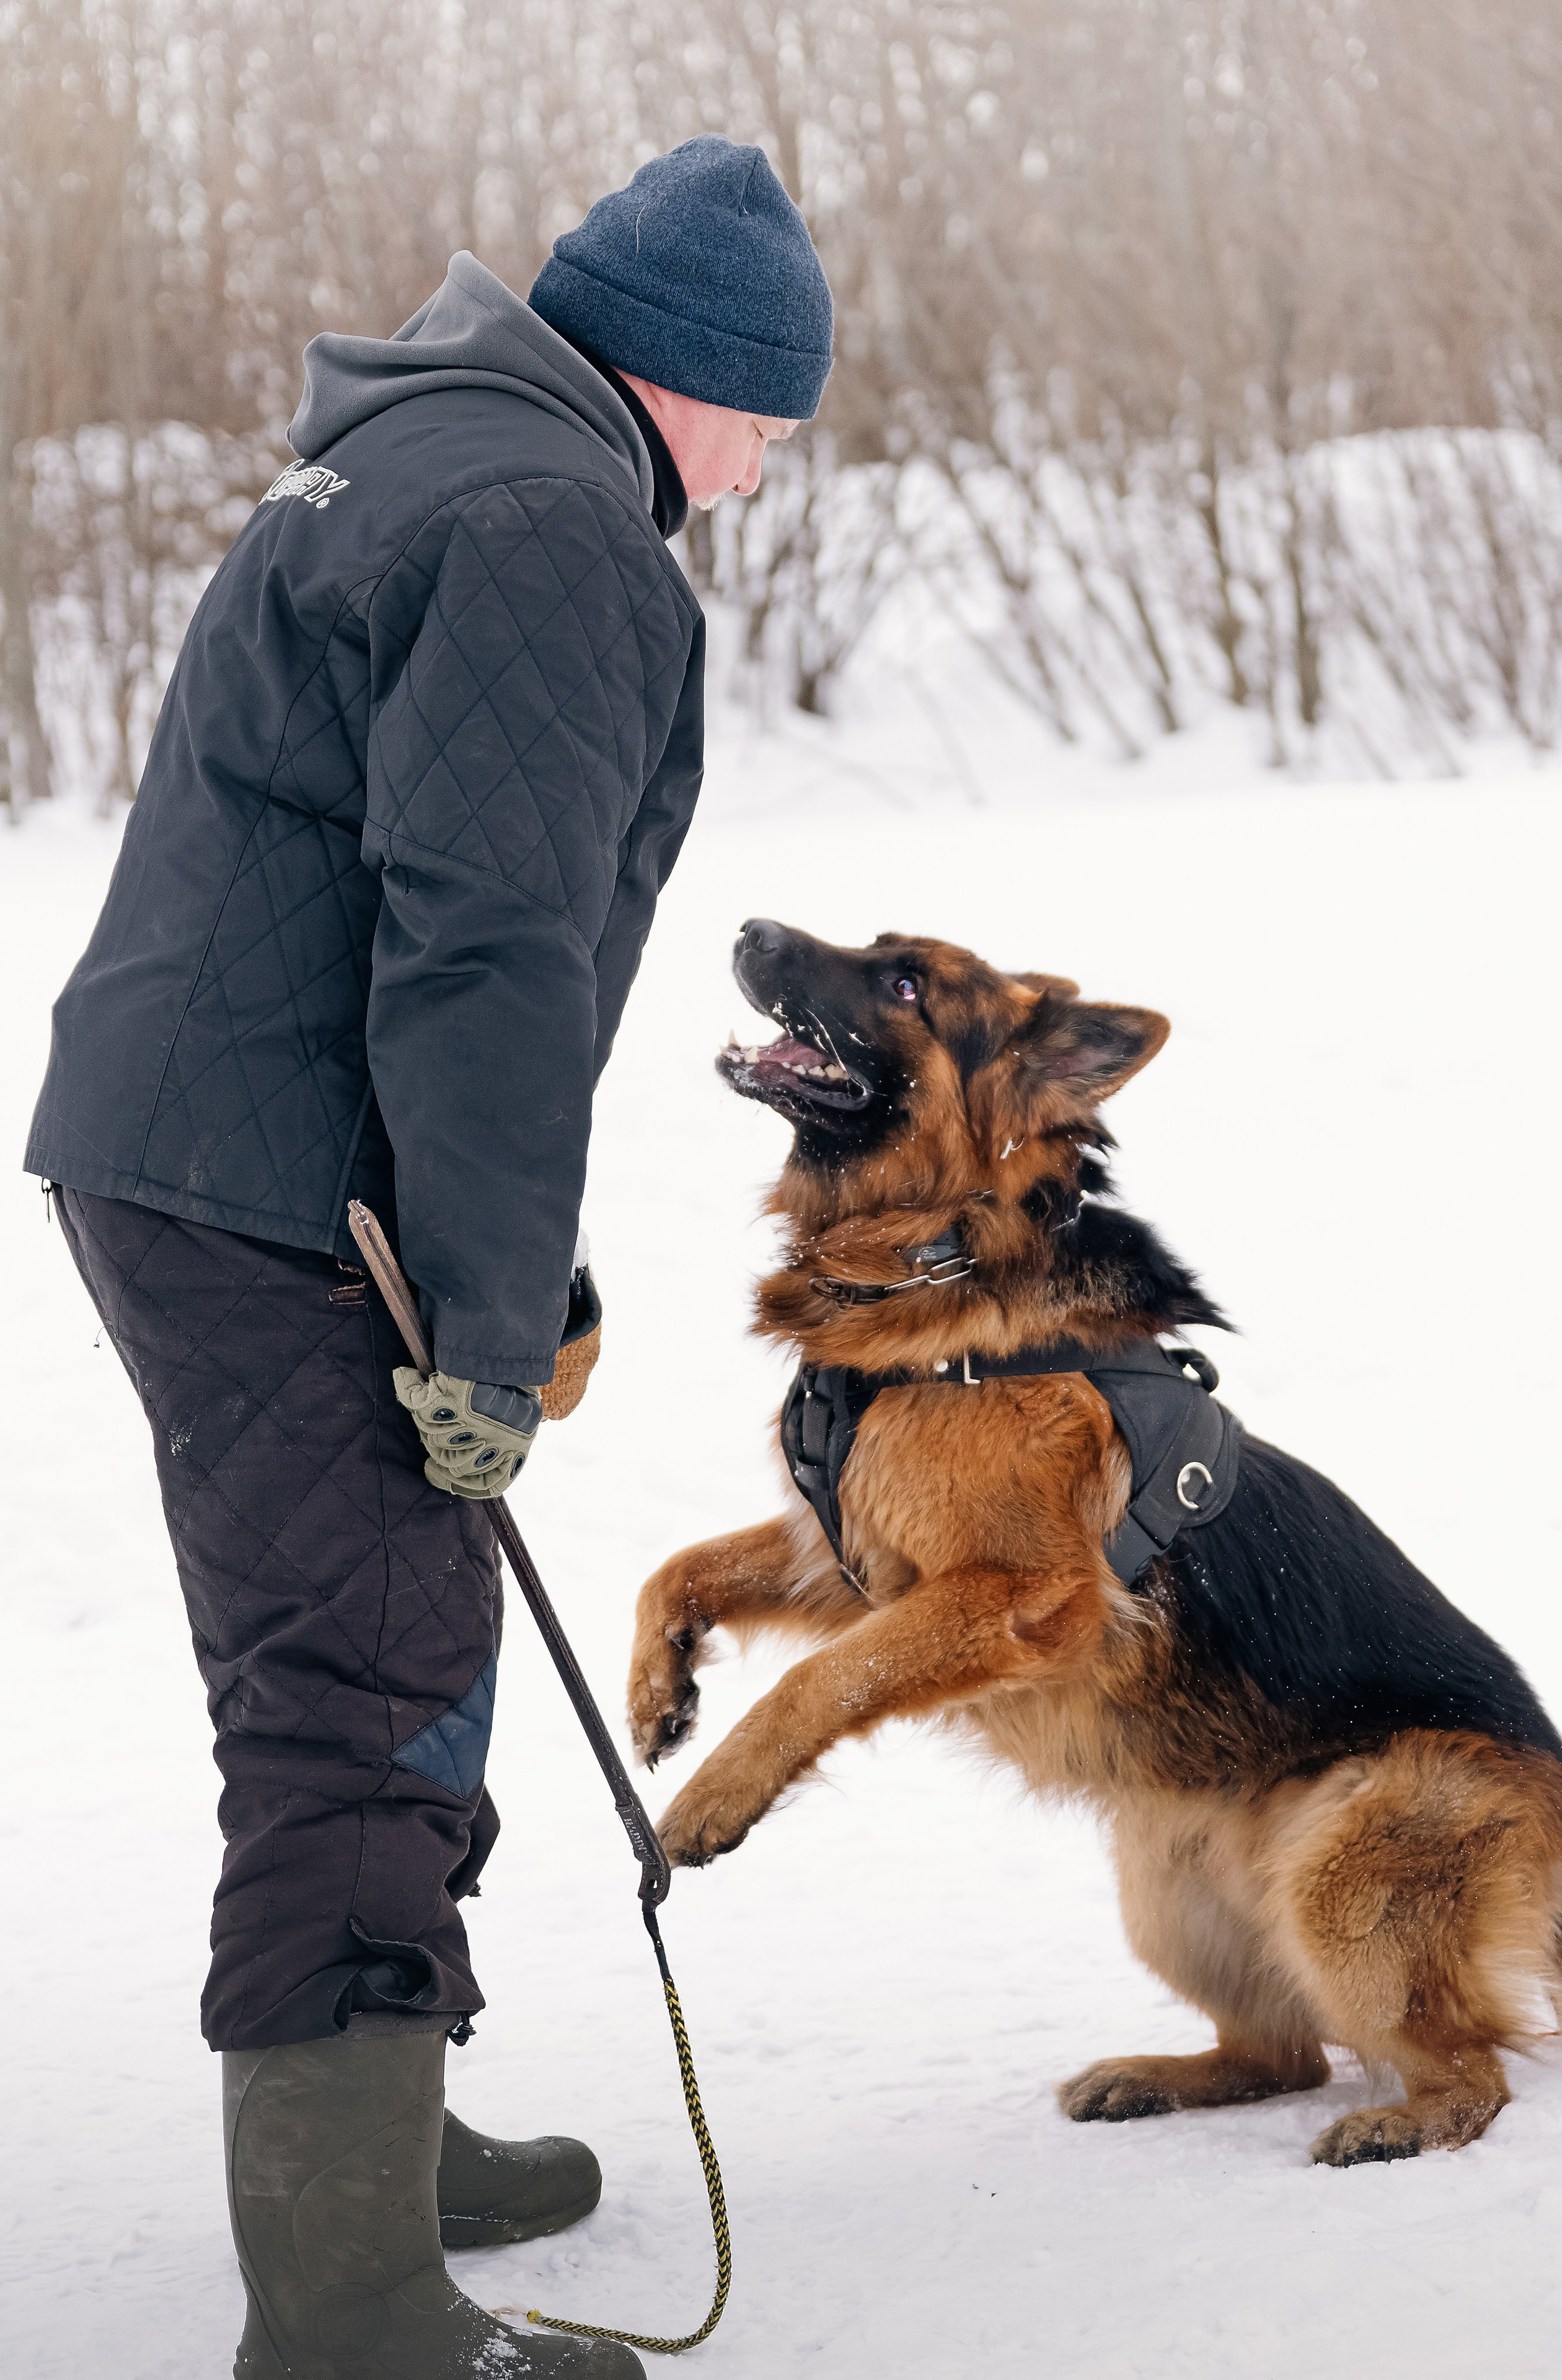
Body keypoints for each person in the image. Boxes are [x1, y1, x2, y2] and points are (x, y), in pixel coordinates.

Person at [24, 136, 831, 2379]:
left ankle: (379, 2135)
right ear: (684, 381)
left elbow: (419, 903)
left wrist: (515, 1278)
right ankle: (353, 2303)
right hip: (283, 1179)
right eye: (768, 422)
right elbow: (490, 949)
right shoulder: (547, 521)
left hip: (220, 1147)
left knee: (376, 1623)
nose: (759, 480)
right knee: (362, 1684)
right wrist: (482, 1305)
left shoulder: (430, 463)